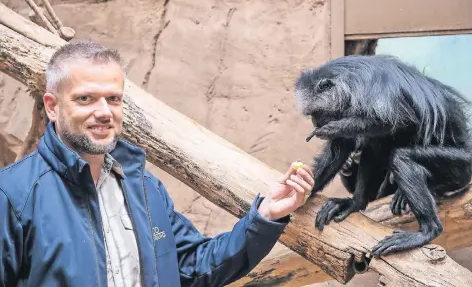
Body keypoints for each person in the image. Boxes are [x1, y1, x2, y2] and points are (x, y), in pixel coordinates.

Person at [0, 41, 315, 287]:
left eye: (113, 98)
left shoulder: (144, 188)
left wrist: (265, 216)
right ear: (52, 107)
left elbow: (193, 267)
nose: (104, 111)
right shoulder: (13, 196)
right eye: (86, 99)